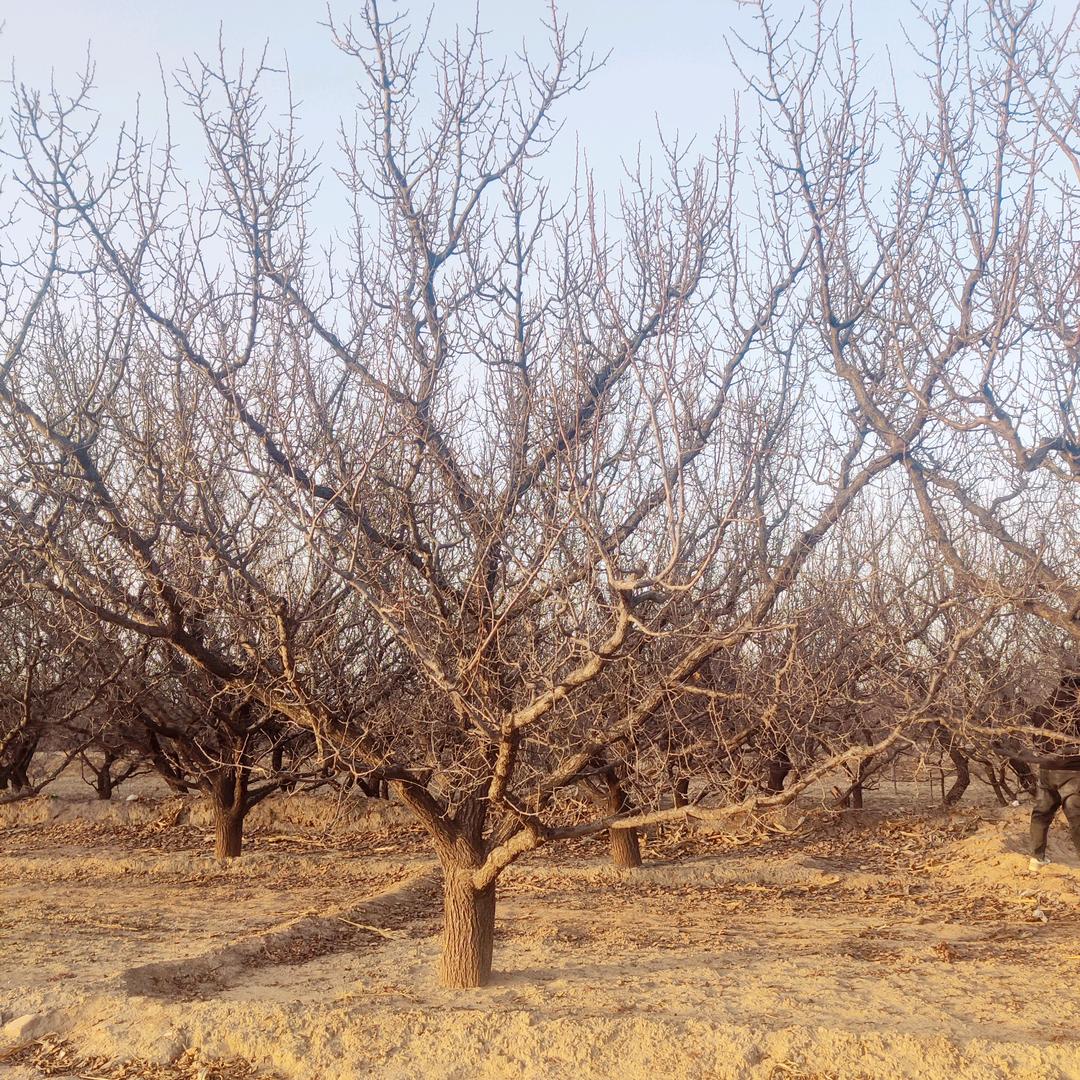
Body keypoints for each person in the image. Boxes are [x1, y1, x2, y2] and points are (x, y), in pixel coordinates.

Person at [1029, 766, 1080, 872]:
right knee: (1076, 816)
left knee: (1041, 812)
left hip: (1048, 768)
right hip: (1074, 769)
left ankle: (1036, 858)